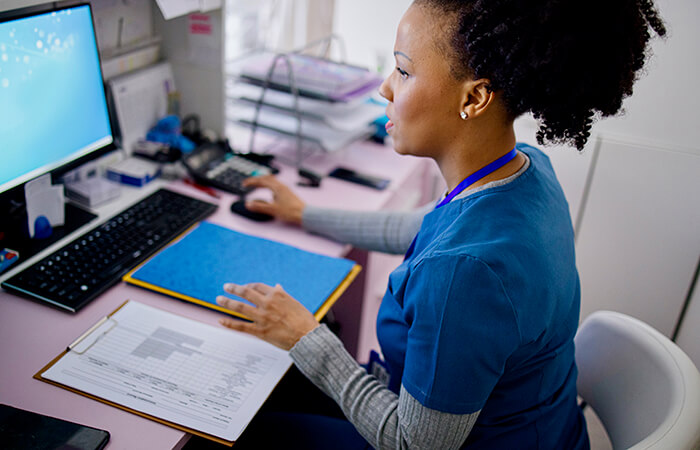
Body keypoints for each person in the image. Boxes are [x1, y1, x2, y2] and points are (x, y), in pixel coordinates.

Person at [214, 0, 666, 448]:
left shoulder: (464, 273)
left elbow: (412, 444)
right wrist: (304, 214)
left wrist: (306, 337)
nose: (385, 89)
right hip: (549, 433)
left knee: (241, 427)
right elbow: (423, 228)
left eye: (404, 71)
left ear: (473, 97)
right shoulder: (527, 172)